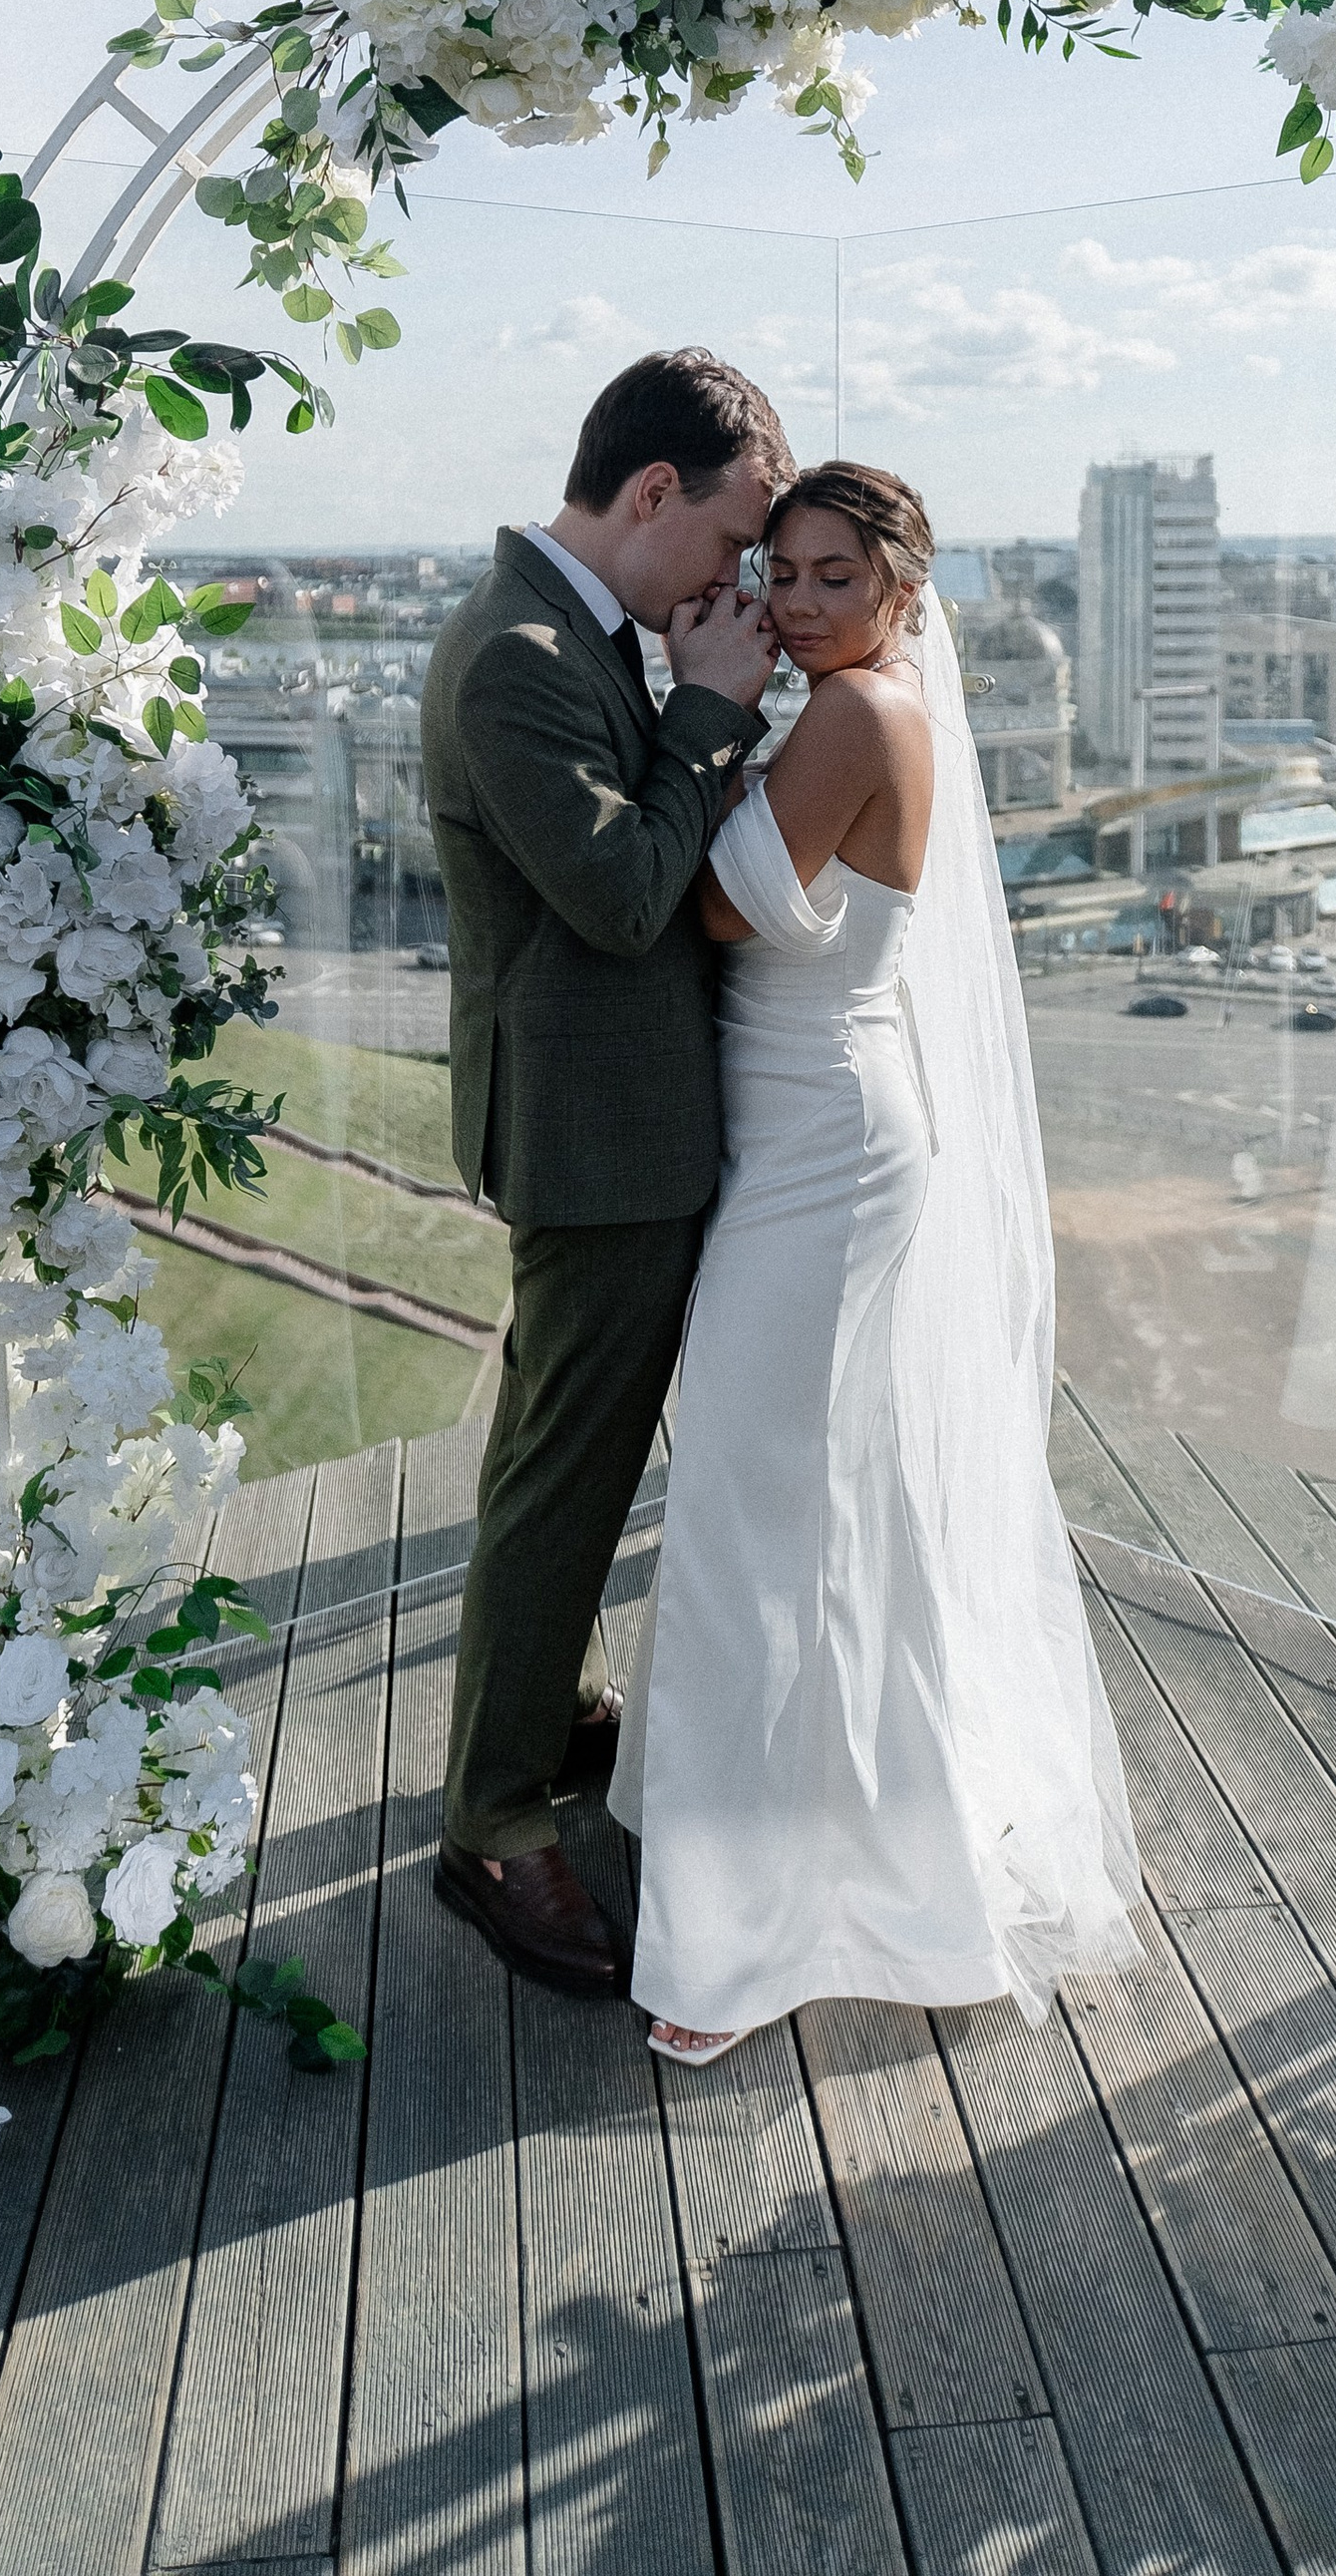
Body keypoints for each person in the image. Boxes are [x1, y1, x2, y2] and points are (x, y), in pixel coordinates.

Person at [609, 462, 1141, 2060]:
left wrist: (713, 709)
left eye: (835, 575)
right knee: (806, 1509)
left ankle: (758, 1932)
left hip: (826, 1143)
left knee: (759, 1516)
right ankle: (814, 1855)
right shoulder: (849, 699)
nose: (799, 599)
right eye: (780, 570)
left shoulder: (859, 716)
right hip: (809, 1130)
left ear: (905, 589)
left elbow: (711, 913)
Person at [423, 347, 794, 1999]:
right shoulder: (515, 655)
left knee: (556, 1453)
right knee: (564, 1474)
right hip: (596, 1133)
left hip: (611, 1117)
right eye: (726, 550)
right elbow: (626, 896)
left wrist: (694, 706)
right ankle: (494, 1829)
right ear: (653, 494)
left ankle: (541, 1708)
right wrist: (710, 713)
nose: (731, 589)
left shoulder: (571, 627)